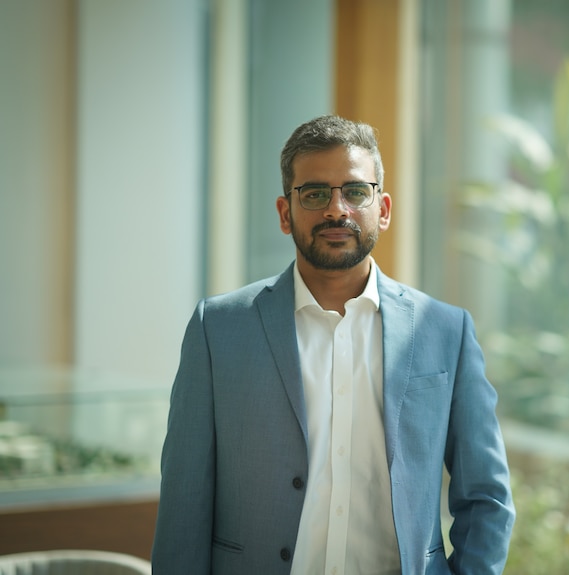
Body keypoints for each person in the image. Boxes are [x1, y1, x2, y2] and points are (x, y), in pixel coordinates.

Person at [151, 115, 515, 574]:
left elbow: (487, 498)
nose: (336, 209)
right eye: (315, 193)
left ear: (382, 208)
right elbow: (184, 502)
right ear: (286, 213)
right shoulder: (218, 330)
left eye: (355, 191)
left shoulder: (445, 332)